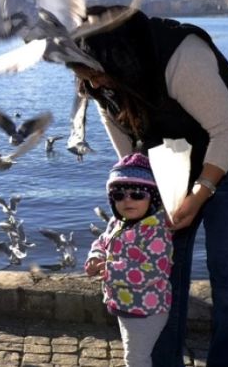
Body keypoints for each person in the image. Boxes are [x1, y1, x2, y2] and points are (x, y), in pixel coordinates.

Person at [68, 7, 228, 366]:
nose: (93, 85)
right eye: (86, 79)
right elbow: (121, 130)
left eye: (97, 76)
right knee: (160, 268)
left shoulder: (182, 56)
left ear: (122, 59)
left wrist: (199, 195)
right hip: (173, 161)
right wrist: (141, 180)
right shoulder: (99, 80)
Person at [86, 153, 173, 367]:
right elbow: (102, 241)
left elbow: (152, 271)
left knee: (136, 358)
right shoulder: (118, 222)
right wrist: (96, 256)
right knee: (133, 351)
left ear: (152, 198)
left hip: (146, 308)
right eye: (118, 195)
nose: (127, 200)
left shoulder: (156, 232)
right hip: (125, 302)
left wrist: (108, 269)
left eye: (137, 194)